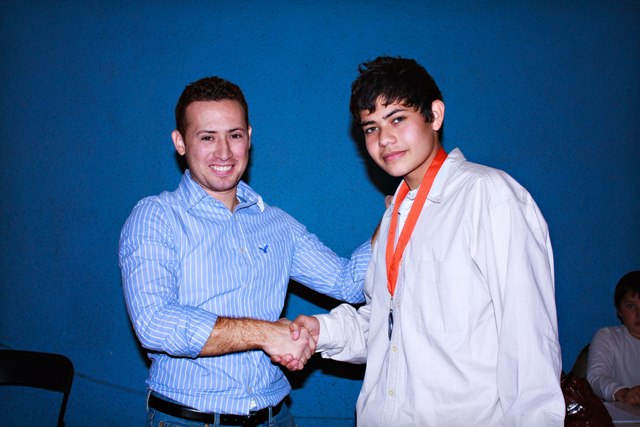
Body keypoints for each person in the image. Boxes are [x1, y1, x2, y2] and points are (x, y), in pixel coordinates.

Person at [281, 56, 566, 426]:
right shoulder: (394, 215)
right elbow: (388, 325)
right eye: (371, 128)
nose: (384, 139)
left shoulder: (490, 197)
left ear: (435, 115)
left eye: (398, 119)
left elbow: (529, 344)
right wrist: (323, 332)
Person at [118, 76, 371, 427]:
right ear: (180, 142)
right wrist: (267, 334)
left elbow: (348, 282)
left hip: (275, 417)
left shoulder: (277, 224)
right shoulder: (156, 216)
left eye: (234, 135)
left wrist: (397, 215)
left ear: (249, 137)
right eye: (207, 137)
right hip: (190, 420)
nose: (224, 152)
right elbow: (154, 323)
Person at [587, 271, 640, 405]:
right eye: (631, 306)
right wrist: (624, 393)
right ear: (619, 311)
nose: (639, 313)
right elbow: (596, 377)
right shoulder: (608, 337)